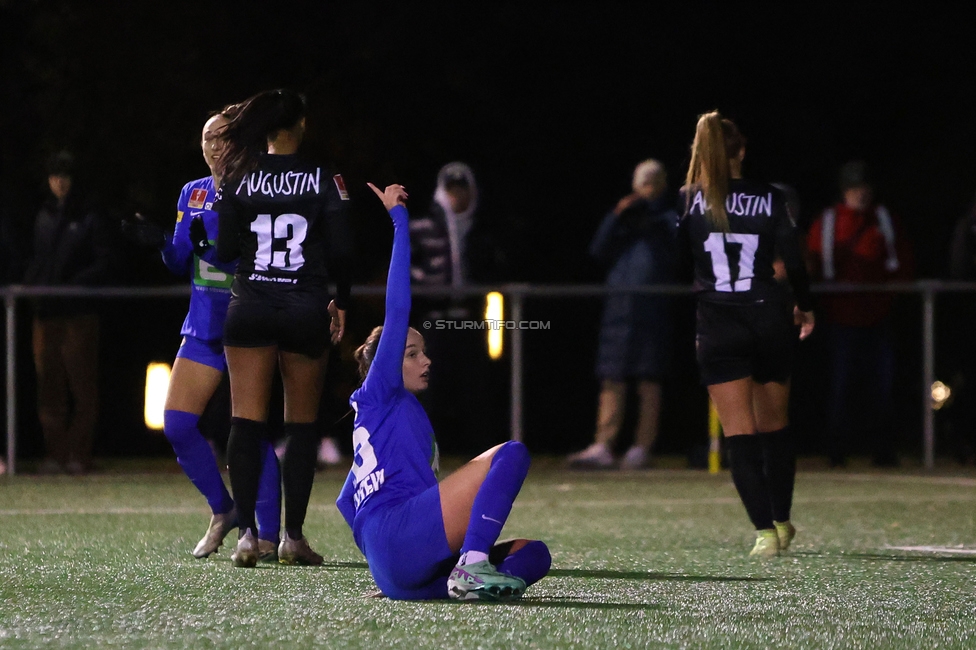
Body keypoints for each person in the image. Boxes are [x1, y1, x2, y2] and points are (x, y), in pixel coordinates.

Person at [337, 183, 550, 601]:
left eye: (424, 352)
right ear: (386, 365)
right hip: (400, 534)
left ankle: (461, 579)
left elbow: (348, 503)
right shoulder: (380, 390)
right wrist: (398, 220)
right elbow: (397, 308)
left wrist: (386, 563)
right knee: (511, 453)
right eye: (412, 353)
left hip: (397, 565)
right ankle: (471, 567)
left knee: (535, 554)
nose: (425, 361)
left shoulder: (381, 415)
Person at [122, 109, 282, 560]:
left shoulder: (255, 191)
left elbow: (251, 260)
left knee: (250, 430)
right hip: (203, 325)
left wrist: (206, 246)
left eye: (223, 138)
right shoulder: (192, 191)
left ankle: (268, 533)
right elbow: (180, 261)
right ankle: (223, 509)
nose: (214, 147)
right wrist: (158, 241)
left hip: (245, 321)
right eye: (207, 139)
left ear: (240, 144)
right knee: (176, 424)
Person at [212, 88, 353, 568]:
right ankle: (292, 536)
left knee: (245, 422)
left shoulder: (239, 177)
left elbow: (228, 250)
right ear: (301, 126)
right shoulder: (323, 177)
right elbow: (343, 250)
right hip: (303, 306)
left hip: (250, 303)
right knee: (301, 426)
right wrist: (342, 302)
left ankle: (248, 535)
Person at [679, 111, 815, 557]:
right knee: (775, 426)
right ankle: (781, 519)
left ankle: (764, 533)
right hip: (767, 317)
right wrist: (805, 306)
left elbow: (681, 255)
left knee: (739, 433)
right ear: (741, 150)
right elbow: (793, 263)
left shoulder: (688, 200)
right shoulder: (771, 199)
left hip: (719, 323)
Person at [568, 159, 677, 470]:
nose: (647, 189)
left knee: (648, 378)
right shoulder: (624, 219)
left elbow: (677, 245)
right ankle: (604, 444)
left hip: (653, 307)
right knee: (612, 375)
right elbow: (597, 250)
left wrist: (653, 215)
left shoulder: (669, 217)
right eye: (643, 182)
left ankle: (642, 446)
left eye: (653, 182)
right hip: (619, 308)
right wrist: (618, 215)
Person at [806, 161, 913, 467]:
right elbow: (813, 263)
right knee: (841, 388)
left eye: (865, 188)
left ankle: (883, 451)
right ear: (844, 191)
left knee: (883, 388)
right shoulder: (827, 223)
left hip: (879, 319)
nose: (861, 194)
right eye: (855, 188)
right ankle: (836, 452)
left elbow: (903, 262)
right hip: (839, 321)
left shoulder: (884, 220)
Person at [23, 151, 114, 475]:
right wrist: (35, 287)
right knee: (49, 386)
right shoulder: (43, 215)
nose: (59, 182)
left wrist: (73, 286)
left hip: (78, 313)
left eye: (65, 176)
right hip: (47, 313)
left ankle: (79, 454)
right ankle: (56, 455)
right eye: (54, 176)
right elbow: (36, 258)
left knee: (82, 385)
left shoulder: (89, 214)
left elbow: (102, 261)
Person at [409, 162, 506, 452]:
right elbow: (408, 269)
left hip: (470, 319)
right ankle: (423, 453)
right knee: (429, 387)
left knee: (474, 391)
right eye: (451, 190)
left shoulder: (482, 228)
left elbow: (495, 269)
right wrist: (431, 288)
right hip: (433, 320)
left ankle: (482, 456)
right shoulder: (422, 226)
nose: (457, 197)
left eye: (463, 189)